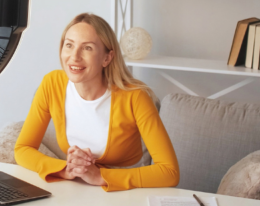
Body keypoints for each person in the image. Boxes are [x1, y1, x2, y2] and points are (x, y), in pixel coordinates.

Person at [14, 13, 179, 191]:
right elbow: (23, 149)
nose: (74, 57)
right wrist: (64, 169)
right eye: (69, 45)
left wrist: (100, 176)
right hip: (77, 188)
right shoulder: (51, 84)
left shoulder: (135, 96)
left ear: (107, 58)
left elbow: (170, 172)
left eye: (87, 48)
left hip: (127, 192)